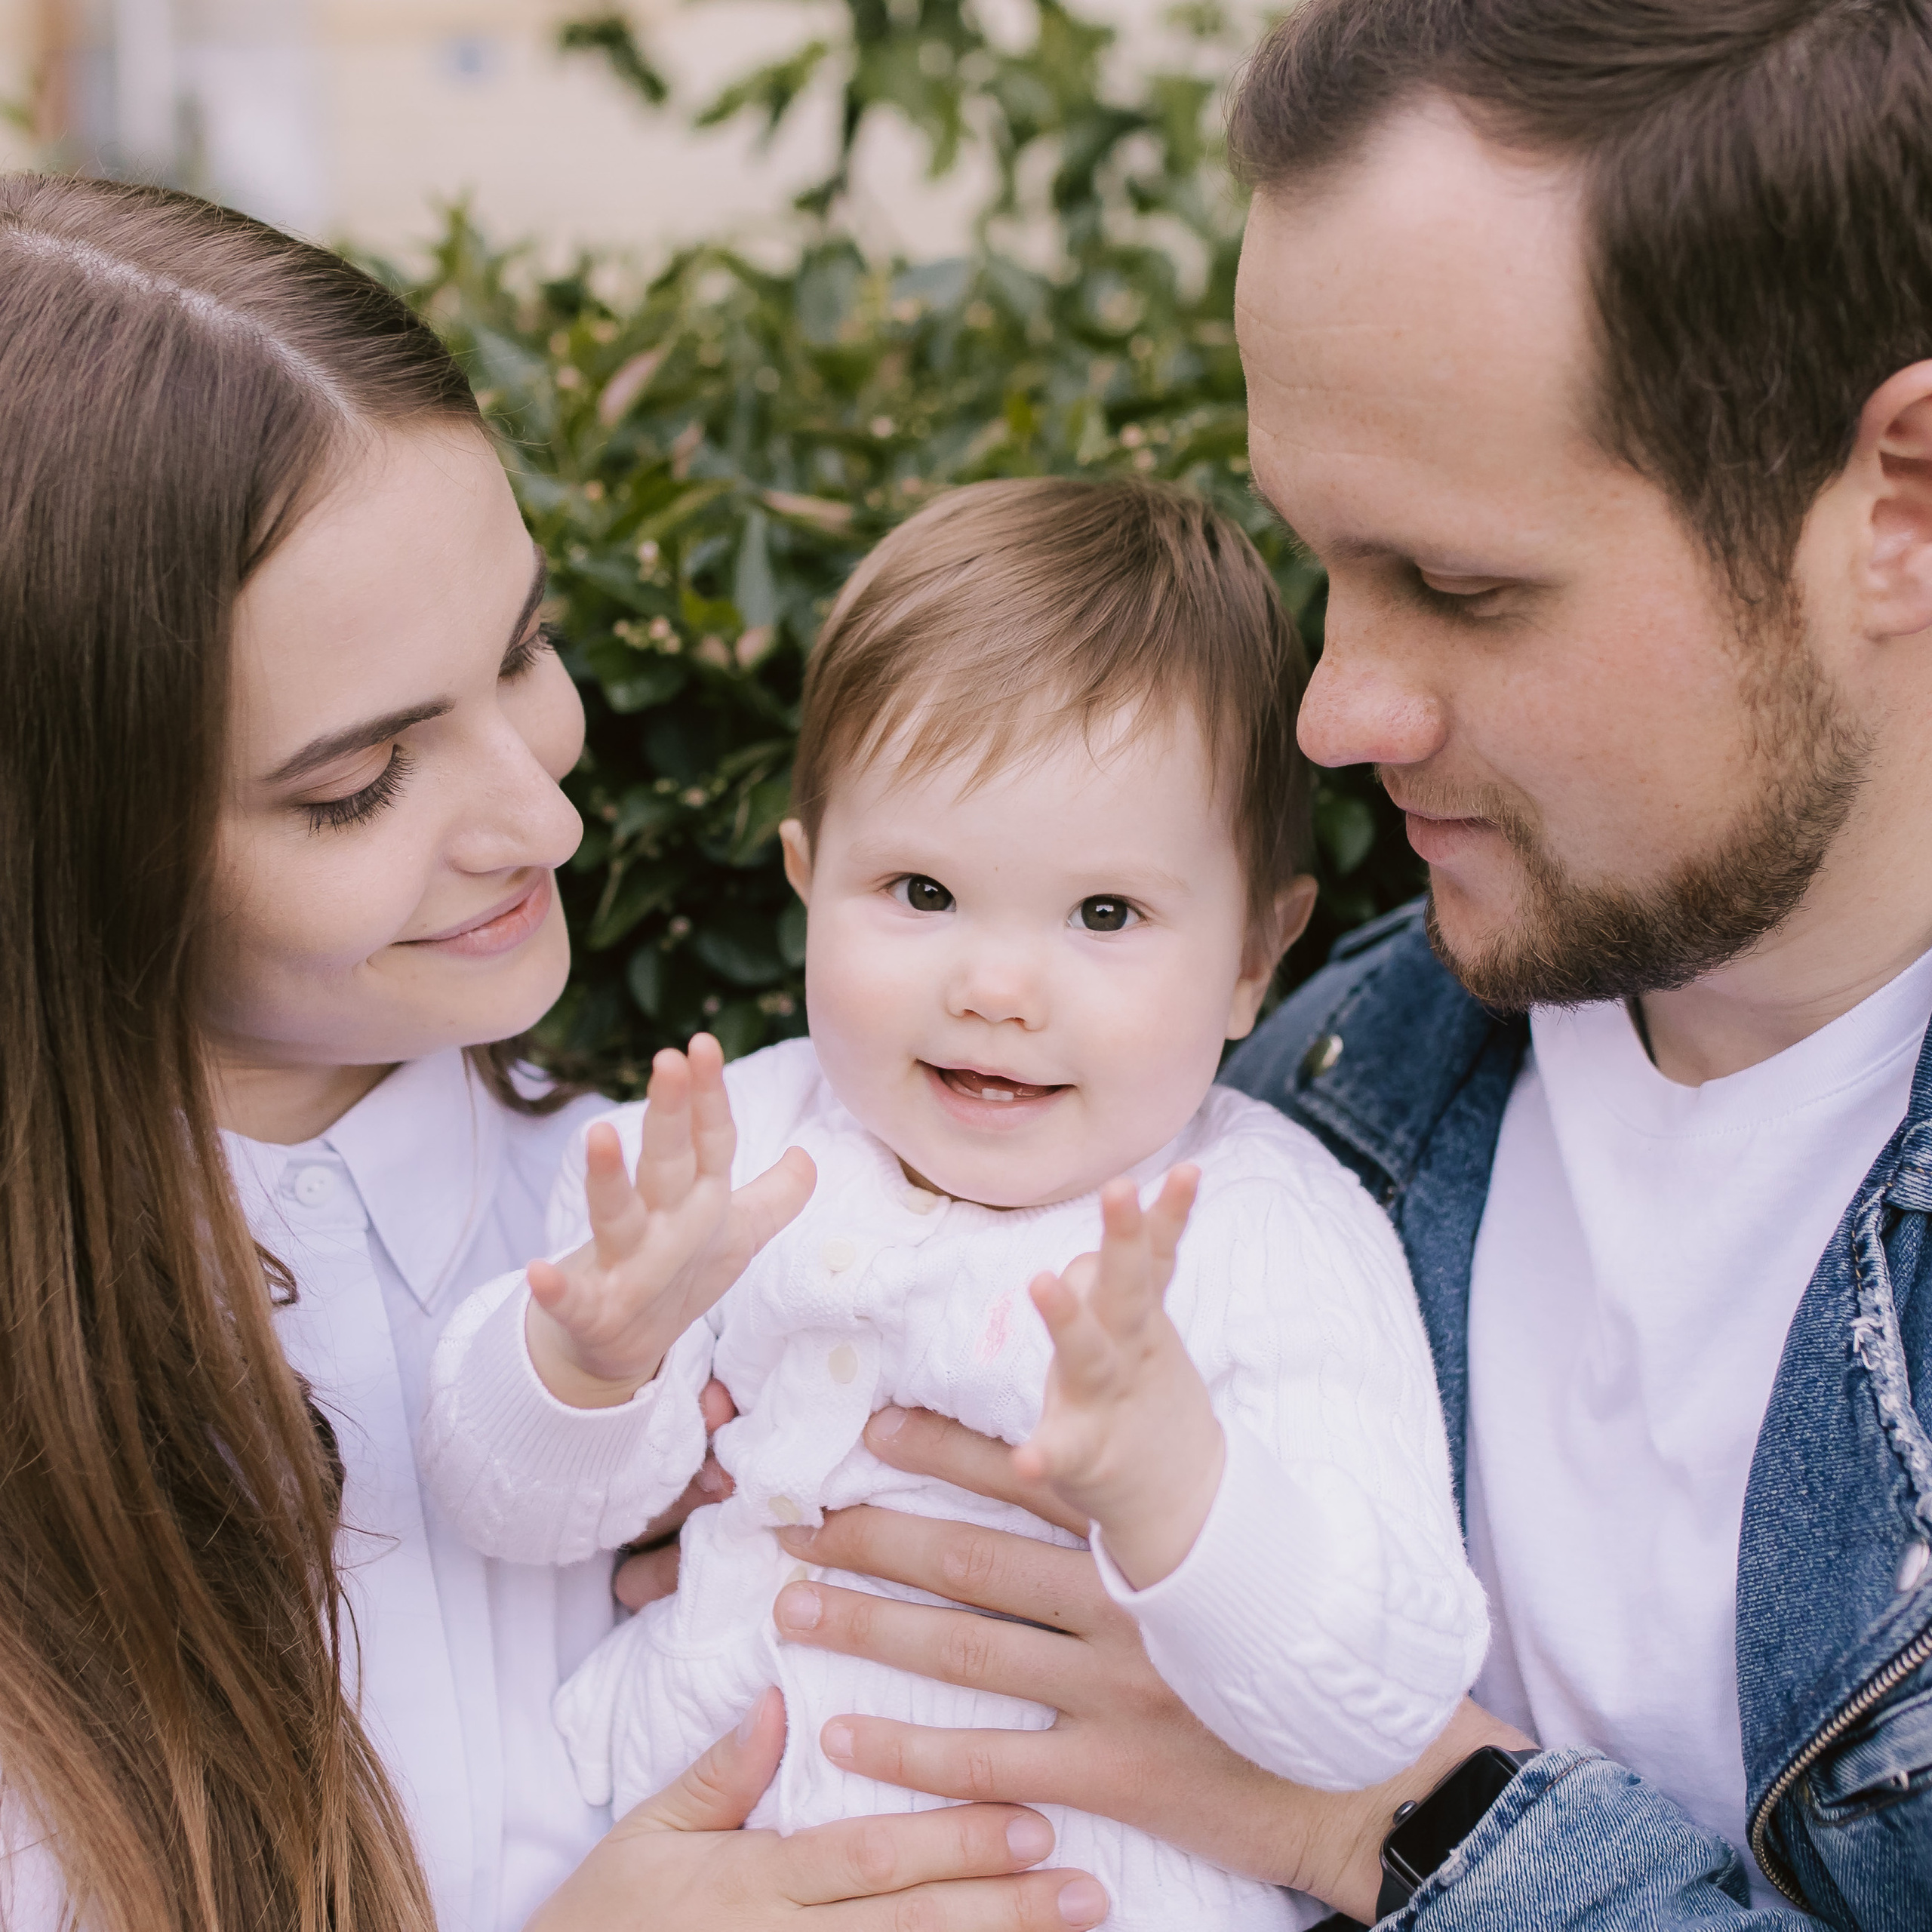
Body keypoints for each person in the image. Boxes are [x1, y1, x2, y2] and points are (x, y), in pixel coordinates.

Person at [709, 2, 1932, 1927]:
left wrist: (1386, 1806)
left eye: (1458, 585)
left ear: (1902, 501)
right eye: (1318, 564)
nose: (1332, 713)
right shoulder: (1307, 1091)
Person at [0, 171, 1107, 1932]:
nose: (546, 815)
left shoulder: (743, 1234)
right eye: (356, 782)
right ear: (60, 853)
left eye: (524, 648)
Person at [420, 478, 1490, 1930]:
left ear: (1256, 954)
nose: (994, 986)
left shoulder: (1263, 1233)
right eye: (921, 891)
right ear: (808, 881)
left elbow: (1379, 1704)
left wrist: (1181, 1494)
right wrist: (587, 1361)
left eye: (1105, 914)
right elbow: (507, 1510)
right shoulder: (727, 1157)